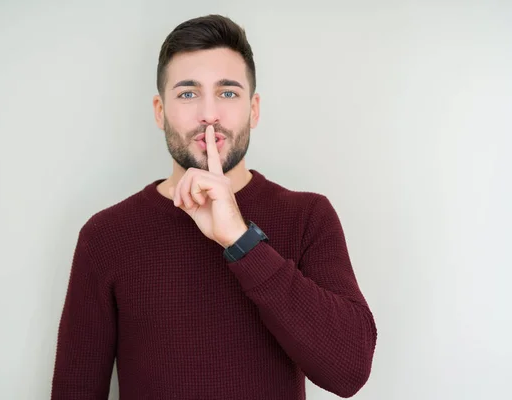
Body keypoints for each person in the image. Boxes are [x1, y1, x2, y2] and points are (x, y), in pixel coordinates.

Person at [51, 14, 377, 400]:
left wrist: (241, 240)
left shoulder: (308, 218)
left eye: (228, 93)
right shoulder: (106, 236)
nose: (209, 113)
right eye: (188, 93)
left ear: (254, 110)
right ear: (160, 112)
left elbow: (349, 371)